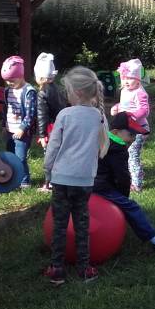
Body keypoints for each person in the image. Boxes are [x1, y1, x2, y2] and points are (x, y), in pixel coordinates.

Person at [42, 67, 109, 285]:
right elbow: (104, 145)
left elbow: (53, 146)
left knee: (59, 225)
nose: (66, 95)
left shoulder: (65, 115)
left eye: (68, 91)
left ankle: (57, 270)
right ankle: (84, 269)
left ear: (77, 93)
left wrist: (47, 170)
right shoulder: (98, 116)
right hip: (85, 181)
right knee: (82, 225)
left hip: (61, 179)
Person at [93, 112, 155, 253]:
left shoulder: (101, 140)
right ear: (115, 132)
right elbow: (123, 178)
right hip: (101, 187)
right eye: (131, 134)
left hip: (89, 184)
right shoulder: (118, 150)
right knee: (131, 207)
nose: (133, 138)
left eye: (135, 135)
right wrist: (123, 196)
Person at [111, 59, 150, 192]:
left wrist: (131, 116)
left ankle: (136, 184)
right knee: (125, 153)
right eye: (124, 78)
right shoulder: (125, 91)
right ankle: (130, 177)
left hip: (139, 130)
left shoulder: (140, 93)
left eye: (130, 78)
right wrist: (117, 107)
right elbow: (124, 105)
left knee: (132, 155)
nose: (126, 81)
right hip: (126, 129)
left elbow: (144, 110)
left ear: (138, 80)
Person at [0, 56, 36, 189]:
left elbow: (31, 114)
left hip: (22, 132)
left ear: (21, 76)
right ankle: (14, 177)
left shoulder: (28, 92)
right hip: (10, 129)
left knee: (20, 158)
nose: (9, 83)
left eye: (12, 80)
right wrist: (4, 125)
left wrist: (22, 128)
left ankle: (24, 181)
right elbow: (6, 109)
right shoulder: (8, 91)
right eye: (7, 80)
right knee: (10, 156)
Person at [34, 53, 65, 191]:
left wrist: (42, 135)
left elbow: (42, 115)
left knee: (49, 155)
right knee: (60, 154)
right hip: (62, 125)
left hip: (51, 128)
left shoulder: (42, 94)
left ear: (40, 77)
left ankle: (49, 183)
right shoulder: (58, 89)